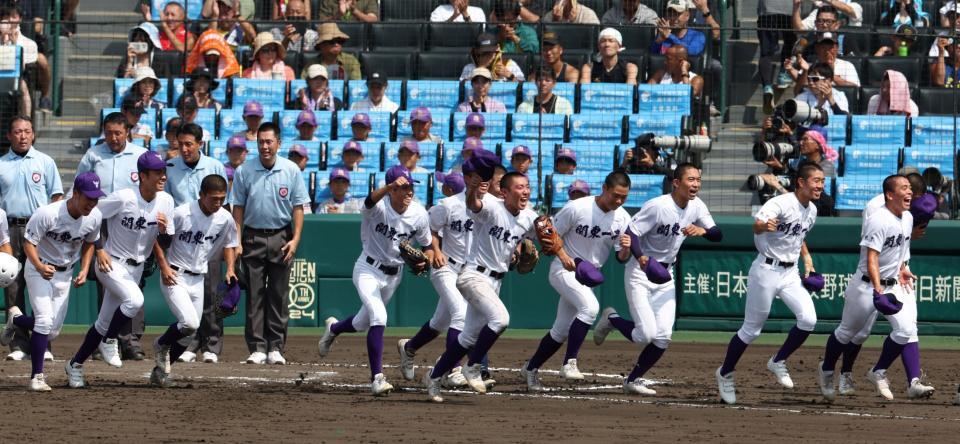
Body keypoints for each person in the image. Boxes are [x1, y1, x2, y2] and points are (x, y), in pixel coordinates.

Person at [420, 152, 542, 402]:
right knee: (500, 319)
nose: (526, 191)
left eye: (528, 187)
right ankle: (472, 366)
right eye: (519, 187)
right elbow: (474, 205)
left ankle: (434, 377)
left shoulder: (530, 217)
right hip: (473, 276)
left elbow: (547, 237)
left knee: (467, 337)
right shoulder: (491, 207)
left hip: (495, 281)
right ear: (504, 192)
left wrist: (553, 252)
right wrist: (473, 189)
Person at [594, 164, 722, 396]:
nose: (695, 184)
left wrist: (703, 231)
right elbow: (631, 233)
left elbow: (717, 234)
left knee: (663, 336)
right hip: (640, 272)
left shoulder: (697, 206)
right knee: (646, 335)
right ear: (676, 183)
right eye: (690, 179)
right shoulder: (658, 206)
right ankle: (612, 319)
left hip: (666, 275)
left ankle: (633, 380)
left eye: (698, 180)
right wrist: (641, 256)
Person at [817, 175, 935, 401]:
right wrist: (878, 288)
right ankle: (827, 369)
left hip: (894, 284)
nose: (909, 192)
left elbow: (899, 249)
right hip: (866, 285)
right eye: (904, 188)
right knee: (847, 332)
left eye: (910, 188)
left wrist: (902, 267)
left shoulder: (908, 217)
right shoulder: (878, 218)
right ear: (890, 195)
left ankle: (878, 371)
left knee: (905, 330)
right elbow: (872, 257)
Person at [714, 162, 824, 405]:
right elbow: (757, 225)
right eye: (816, 180)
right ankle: (725, 373)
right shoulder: (779, 204)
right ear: (801, 182)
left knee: (808, 320)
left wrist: (808, 261)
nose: (820, 185)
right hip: (766, 270)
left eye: (822, 181)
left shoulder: (812, 210)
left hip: (790, 273)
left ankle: (778, 360)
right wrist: (764, 225)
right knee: (752, 330)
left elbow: (799, 236)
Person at [318, 165, 432, 395]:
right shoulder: (378, 207)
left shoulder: (419, 213)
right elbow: (368, 202)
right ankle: (377, 378)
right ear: (391, 190)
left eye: (411, 187)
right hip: (367, 269)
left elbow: (428, 246)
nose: (409, 192)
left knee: (362, 323)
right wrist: (389, 187)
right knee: (379, 316)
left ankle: (334, 328)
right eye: (404, 187)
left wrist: (425, 261)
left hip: (394, 275)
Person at [64, 152, 175, 387]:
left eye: (164, 171)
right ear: (143, 176)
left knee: (103, 322)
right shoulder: (124, 197)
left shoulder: (166, 201)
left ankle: (75, 365)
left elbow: (166, 243)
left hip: (136, 268)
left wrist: (165, 232)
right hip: (110, 262)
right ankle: (109, 339)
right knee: (134, 301)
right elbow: (91, 214)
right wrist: (99, 248)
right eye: (157, 172)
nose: (163, 176)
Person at [522, 172, 632, 391]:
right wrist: (563, 257)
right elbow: (552, 235)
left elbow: (622, 257)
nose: (619, 201)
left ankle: (531, 368)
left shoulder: (623, 217)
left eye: (624, 197)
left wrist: (627, 247)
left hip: (588, 274)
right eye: (615, 195)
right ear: (604, 188)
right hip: (564, 269)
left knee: (560, 331)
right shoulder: (577, 207)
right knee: (590, 308)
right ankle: (569, 362)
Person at [0, 172, 102, 391]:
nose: (91, 203)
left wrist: (84, 269)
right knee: (44, 322)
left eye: (95, 198)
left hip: (65, 274)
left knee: (52, 330)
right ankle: (37, 377)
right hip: (39, 268)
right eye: (88, 197)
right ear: (75, 194)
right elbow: (29, 243)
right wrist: (38, 266)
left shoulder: (94, 216)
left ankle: (16, 320)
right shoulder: (48, 213)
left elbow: (90, 243)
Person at [230, 122, 309, 365]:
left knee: (278, 294)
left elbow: (298, 208)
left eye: (269, 141)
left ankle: (275, 347)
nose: (264, 146)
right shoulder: (245, 170)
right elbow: (238, 208)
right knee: (254, 295)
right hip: (252, 237)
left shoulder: (291, 170)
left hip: (281, 237)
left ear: (278, 143)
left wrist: (295, 240)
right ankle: (256, 348)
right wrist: (237, 240)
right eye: (261, 142)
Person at [150, 174, 239, 386]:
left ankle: (159, 373)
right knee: (189, 322)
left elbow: (230, 243)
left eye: (222, 198)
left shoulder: (224, 217)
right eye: (214, 198)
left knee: (190, 334)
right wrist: (163, 267)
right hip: (175, 274)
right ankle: (161, 343)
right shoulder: (182, 213)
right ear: (201, 195)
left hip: (199, 277)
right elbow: (156, 240)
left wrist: (231, 268)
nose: (218, 203)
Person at [395, 169, 469, 387]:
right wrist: (432, 254)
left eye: (443, 185)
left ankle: (409, 347)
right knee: (460, 314)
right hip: (444, 266)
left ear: (448, 189)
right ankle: (453, 368)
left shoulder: (478, 209)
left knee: (439, 322)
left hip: (467, 271)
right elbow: (428, 239)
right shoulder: (443, 208)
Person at [163, 123, 230, 364]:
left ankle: (211, 344)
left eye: (189, 144)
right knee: (189, 303)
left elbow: (226, 206)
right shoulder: (169, 168)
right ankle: (189, 345)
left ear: (200, 144)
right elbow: (166, 203)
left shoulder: (214, 166)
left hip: (209, 238)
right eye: (180, 144)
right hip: (183, 238)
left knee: (212, 293)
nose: (184, 148)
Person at [0, 116, 64, 361]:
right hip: (9, 229)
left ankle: (44, 344)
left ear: (33, 134)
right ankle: (18, 345)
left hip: (39, 229)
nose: (23, 136)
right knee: (12, 286)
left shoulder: (45, 162)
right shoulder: (1, 164)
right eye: (17, 132)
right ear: (9, 136)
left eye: (27, 131)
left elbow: (57, 197)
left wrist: (51, 226)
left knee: (42, 285)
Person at [76, 113, 149, 195]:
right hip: (100, 206)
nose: (113, 138)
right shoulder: (93, 154)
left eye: (117, 133)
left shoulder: (141, 155)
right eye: (109, 133)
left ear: (127, 132)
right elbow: (79, 183)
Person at [0, 4, 52, 112]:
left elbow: (22, 67)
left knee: (23, 88)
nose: (9, 20)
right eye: (6, 17)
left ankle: (26, 119)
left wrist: (13, 44)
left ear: (20, 19)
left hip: (15, 78)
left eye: (13, 17)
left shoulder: (29, 43)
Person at [460, 33, 525, 82]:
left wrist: (510, 76)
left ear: (497, 50)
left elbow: (524, 88)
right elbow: (462, 89)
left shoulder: (510, 65)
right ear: (477, 52)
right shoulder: (469, 68)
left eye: (491, 52)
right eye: (484, 53)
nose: (488, 56)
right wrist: (480, 69)